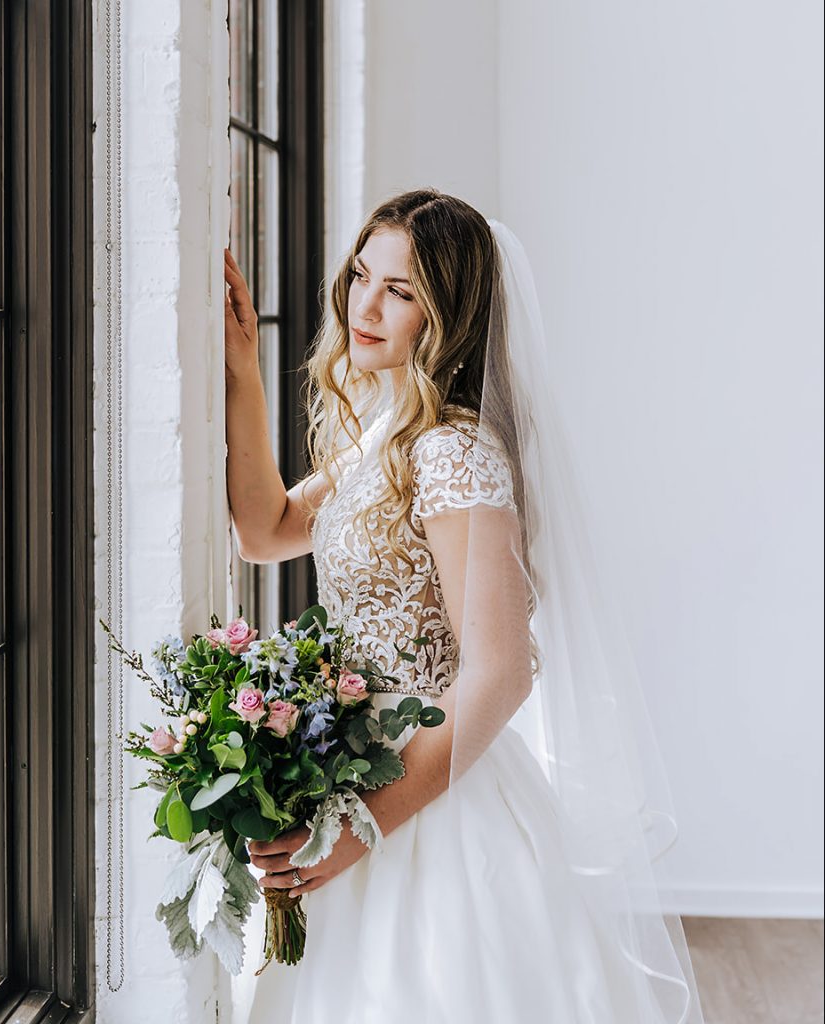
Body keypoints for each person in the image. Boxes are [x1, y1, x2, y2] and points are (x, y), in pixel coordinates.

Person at [223, 189, 704, 1022]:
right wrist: (239, 375)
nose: (364, 306)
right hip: (349, 775)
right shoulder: (387, 435)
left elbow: (499, 676)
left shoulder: (450, 451)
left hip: (426, 801)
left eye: (400, 291)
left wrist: (353, 834)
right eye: (361, 276)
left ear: (447, 311)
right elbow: (264, 530)